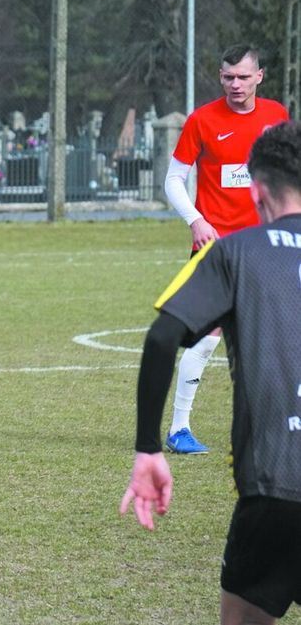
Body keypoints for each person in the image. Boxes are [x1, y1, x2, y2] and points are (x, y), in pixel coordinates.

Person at [120, 120, 301, 624]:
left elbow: (161, 339)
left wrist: (148, 448)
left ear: (258, 190)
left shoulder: (237, 253)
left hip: (275, 488)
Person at [160, 44, 289, 454]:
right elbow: (173, 180)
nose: (236, 84)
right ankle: (179, 429)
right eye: (229, 77)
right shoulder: (202, 120)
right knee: (207, 335)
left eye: (243, 77)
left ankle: (275, 426)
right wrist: (195, 220)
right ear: (220, 78)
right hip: (216, 246)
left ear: (259, 77)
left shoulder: (277, 118)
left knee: (271, 335)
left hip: (265, 243)